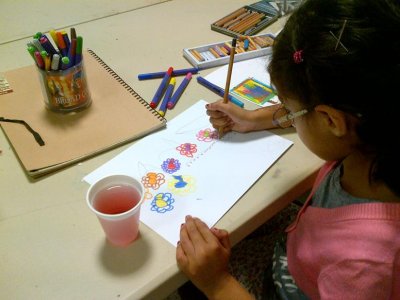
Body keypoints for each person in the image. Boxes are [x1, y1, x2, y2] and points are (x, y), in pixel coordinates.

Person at [175, 0, 400, 299]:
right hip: (300, 251)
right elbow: (318, 113)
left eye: (290, 110)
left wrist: (217, 284)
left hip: (287, 287)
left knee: (184, 279)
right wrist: (253, 119)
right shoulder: (375, 130)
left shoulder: (364, 265)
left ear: (331, 119)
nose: (287, 115)